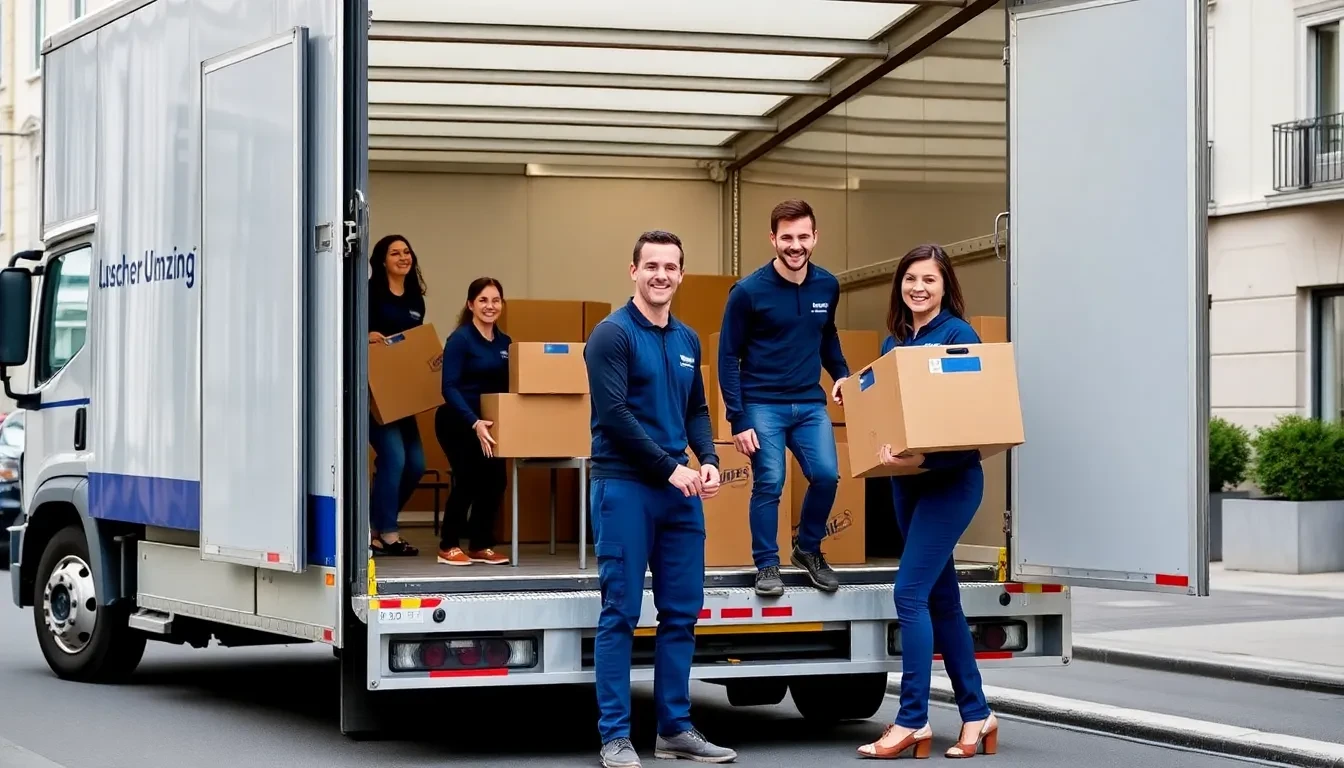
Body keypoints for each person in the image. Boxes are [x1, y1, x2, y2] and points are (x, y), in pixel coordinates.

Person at [584, 230, 737, 767]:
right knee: (620, 613)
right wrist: (672, 469)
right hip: (625, 486)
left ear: (681, 274)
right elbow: (614, 416)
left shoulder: (689, 341)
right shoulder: (611, 335)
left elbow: (696, 409)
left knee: (681, 614)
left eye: (671, 267)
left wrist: (709, 458)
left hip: (679, 493)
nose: (661, 275)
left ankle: (674, 730)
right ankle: (616, 736)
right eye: (651, 265)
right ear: (633, 271)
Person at [856, 244, 998, 760]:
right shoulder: (896, 343)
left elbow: (969, 429)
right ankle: (978, 714)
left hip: (948, 483)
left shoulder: (958, 336)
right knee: (942, 601)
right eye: (910, 278)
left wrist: (920, 463)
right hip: (906, 485)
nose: (918, 287)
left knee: (908, 594)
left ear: (945, 286)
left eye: (929, 280)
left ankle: (912, 719)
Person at [717, 199, 849, 598]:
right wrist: (738, 418)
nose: (795, 245)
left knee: (826, 475)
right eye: (786, 237)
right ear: (772, 238)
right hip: (762, 404)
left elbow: (827, 335)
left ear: (815, 237)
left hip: (810, 404)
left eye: (803, 236)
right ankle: (766, 564)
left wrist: (841, 373)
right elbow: (727, 355)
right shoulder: (748, 292)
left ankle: (807, 549)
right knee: (770, 481)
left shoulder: (827, 285)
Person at [433, 277, 511, 567]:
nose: (490, 306)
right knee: (468, 479)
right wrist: (473, 421)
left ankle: (480, 544)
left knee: (496, 481)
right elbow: (449, 386)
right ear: (470, 305)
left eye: (495, 300)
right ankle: (448, 544)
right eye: (483, 300)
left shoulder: (505, 343)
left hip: (489, 424)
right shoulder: (461, 339)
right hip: (458, 420)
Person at [367, 234, 428, 557]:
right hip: (375, 394)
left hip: (402, 394)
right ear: (383, 260)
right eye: (395, 253)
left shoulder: (416, 300)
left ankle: (375, 524)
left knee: (416, 464)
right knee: (394, 458)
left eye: (407, 251)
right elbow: (347, 331)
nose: (403, 257)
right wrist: (365, 336)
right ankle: (388, 532)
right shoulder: (369, 293)